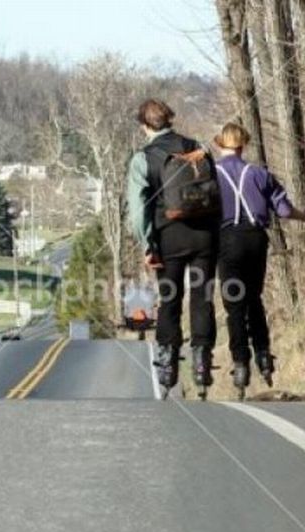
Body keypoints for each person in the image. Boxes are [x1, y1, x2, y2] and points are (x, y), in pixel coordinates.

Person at [214, 122, 305, 394]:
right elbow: (283, 211)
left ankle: (240, 363)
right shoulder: (260, 174)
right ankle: (263, 355)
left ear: (219, 144)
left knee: (234, 304)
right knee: (254, 299)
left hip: (226, 240)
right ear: (243, 144)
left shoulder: (210, 175)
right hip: (256, 238)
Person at [127, 99, 219, 399]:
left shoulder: (143, 158)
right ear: (169, 120)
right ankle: (202, 361)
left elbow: (139, 210)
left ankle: (167, 363)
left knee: (170, 299)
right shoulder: (197, 147)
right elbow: (215, 193)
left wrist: (146, 244)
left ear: (144, 125)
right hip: (204, 235)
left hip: (168, 237)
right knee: (202, 297)